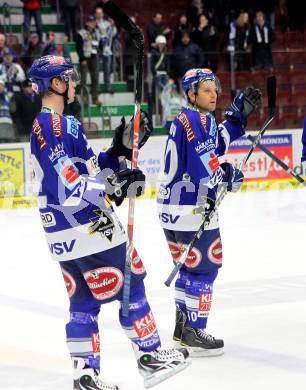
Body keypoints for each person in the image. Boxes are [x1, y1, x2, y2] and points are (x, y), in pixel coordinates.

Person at [28, 55, 190, 390]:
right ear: (56, 84)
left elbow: (90, 166)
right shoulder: (54, 125)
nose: (75, 83)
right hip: (89, 226)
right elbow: (69, 185)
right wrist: (112, 185)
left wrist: (119, 148)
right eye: (69, 78)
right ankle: (150, 357)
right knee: (133, 282)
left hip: (61, 233)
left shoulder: (57, 125)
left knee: (83, 303)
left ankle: (85, 375)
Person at [157, 68, 261, 356]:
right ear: (191, 94)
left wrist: (237, 117)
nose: (214, 93)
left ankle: (182, 328)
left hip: (170, 206)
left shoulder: (190, 118)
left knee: (189, 268)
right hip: (193, 205)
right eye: (206, 89)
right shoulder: (197, 119)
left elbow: (215, 144)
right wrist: (227, 174)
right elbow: (207, 165)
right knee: (206, 268)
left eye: (215, 88)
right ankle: (195, 329)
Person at [76, 15, 101, 105]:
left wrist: (99, 55)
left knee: (95, 79)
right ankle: (85, 99)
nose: (93, 23)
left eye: (93, 22)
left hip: (94, 58)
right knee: (84, 79)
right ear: (87, 23)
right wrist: (82, 59)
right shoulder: (81, 33)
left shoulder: (97, 33)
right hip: (85, 59)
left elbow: (99, 45)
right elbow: (78, 47)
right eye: (91, 22)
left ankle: (95, 99)